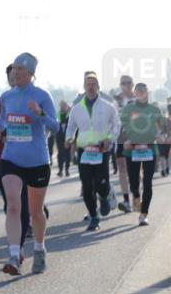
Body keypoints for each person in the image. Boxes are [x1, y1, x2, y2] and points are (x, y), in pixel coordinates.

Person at [0, 53, 58, 275]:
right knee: (12, 205)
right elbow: (3, 120)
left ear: (31, 73)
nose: (16, 72)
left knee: (36, 211)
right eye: (14, 68)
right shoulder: (6, 97)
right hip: (11, 158)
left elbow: (55, 126)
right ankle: (13, 254)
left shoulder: (42, 95)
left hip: (37, 160)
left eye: (21, 68)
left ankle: (39, 249)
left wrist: (39, 113)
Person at [66, 71, 120, 231]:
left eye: (93, 85)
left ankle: (105, 194)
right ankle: (94, 217)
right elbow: (70, 127)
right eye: (88, 84)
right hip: (84, 151)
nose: (90, 87)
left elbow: (116, 125)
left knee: (101, 184)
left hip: (101, 150)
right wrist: (69, 139)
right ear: (84, 86)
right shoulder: (76, 108)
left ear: (98, 87)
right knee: (87, 186)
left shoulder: (108, 107)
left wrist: (110, 139)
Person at [0, 65, 32, 245]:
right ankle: (17, 236)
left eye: (18, 74)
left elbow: (44, 128)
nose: (15, 78)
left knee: (24, 201)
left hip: (28, 158)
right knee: (10, 203)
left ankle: (25, 228)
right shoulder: (1, 101)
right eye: (11, 75)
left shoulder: (33, 99)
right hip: (2, 157)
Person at [119, 82, 168, 225]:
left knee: (147, 182)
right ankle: (135, 196)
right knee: (134, 181)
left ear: (147, 92)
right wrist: (125, 140)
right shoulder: (128, 109)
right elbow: (121, 129)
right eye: (138, 90)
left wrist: (161, 135)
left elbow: (163, 127)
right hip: (131, 150)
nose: (140, 92)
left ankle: (144, 214)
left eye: (143, 90)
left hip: (149, 149)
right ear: (134, 93)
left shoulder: (154, 109)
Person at [113, 75, 136, 212]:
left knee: (135, 170)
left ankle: (136, 197)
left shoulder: (138, 99)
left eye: (128, 82)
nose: (126, 85)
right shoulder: (116, 100)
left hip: (135, 137)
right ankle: (126, 201)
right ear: (120, 85)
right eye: (123, 83)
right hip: (120, 137)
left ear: (132, 84)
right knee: (122, 167)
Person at [56, 100, 72, 177]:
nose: (63, 107)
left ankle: (67, 170)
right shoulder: (57, 114)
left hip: (68, 137)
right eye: (61, 105)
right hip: (59, 137)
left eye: (64, 105)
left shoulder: (70, 114)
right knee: (60, 154)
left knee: (67, 154)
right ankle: (60, 170)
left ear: (66, 106)